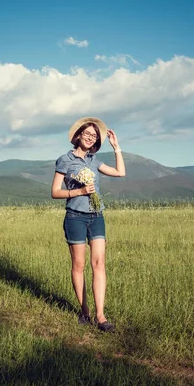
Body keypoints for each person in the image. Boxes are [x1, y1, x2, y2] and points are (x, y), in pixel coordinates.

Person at [51, 117, 126, 332]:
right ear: (79, 135)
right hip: (75, 216)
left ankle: (101, 316)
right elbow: (55, 192)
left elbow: (120, 173)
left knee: (99, 263)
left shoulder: (94, 161)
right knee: (79, 265)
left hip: (96, 215)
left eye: (94, 136)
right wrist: (79, 191)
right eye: (88, 134)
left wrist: (116, 148)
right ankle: (85, 311)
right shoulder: (65, 160)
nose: (91, 137)